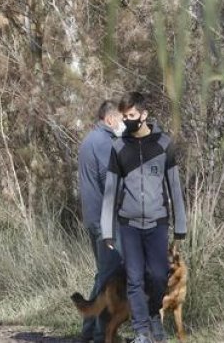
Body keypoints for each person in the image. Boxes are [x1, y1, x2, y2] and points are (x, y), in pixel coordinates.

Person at [100, 92, 188, 343]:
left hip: (157, 222)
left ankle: (152, 317)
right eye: (123, 116)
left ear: (144, 115)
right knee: (135, 278)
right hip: (128, 224)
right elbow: (110, 190)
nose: (126, 121)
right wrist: (108, 230)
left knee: (159, 275)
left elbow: (174, 186)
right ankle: (141, 332)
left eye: (131, 116)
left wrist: (180, 224)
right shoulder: (118, 147)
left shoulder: (164, 144)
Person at [77, 100, 125, 341]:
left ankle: (89, 330)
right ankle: (100, 334)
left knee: (103, 274)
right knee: (110, 277)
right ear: (110, 119)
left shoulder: (88, 141)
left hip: (92, 217)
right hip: (107, 221)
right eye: (121, 119)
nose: (123, 123)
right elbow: (110, 180)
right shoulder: (105, 142)